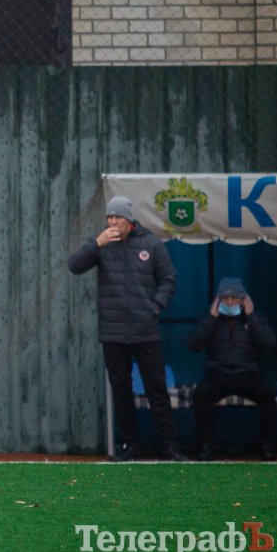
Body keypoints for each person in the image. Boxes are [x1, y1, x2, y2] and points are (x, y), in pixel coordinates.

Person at [67, 195, 185, 461]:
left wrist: (156, 306)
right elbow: (74, 266)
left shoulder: (151, 244)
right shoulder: (101, 244)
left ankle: (168, 445)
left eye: (116, 217)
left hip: (145, 331)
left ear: (129, 220)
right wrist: (96, 244)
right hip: (113, 332)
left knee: (156, 388)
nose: (112, 222)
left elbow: (168, 278)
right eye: (109, 217)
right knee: (121, 390)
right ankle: (130, 445)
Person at [187, 278, 277, 461]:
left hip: (248, 373)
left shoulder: (255, 316)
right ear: (218, 299)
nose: (230, 303)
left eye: (234, 298)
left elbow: (270, 343)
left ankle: (268, 445)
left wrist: (251, 316)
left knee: (268, 393)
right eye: (225, 298)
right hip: (217, 373)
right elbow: (193, 344)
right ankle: (207, 445)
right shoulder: (209, 316)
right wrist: (211, 318)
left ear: (243, 299)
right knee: (201, 394)